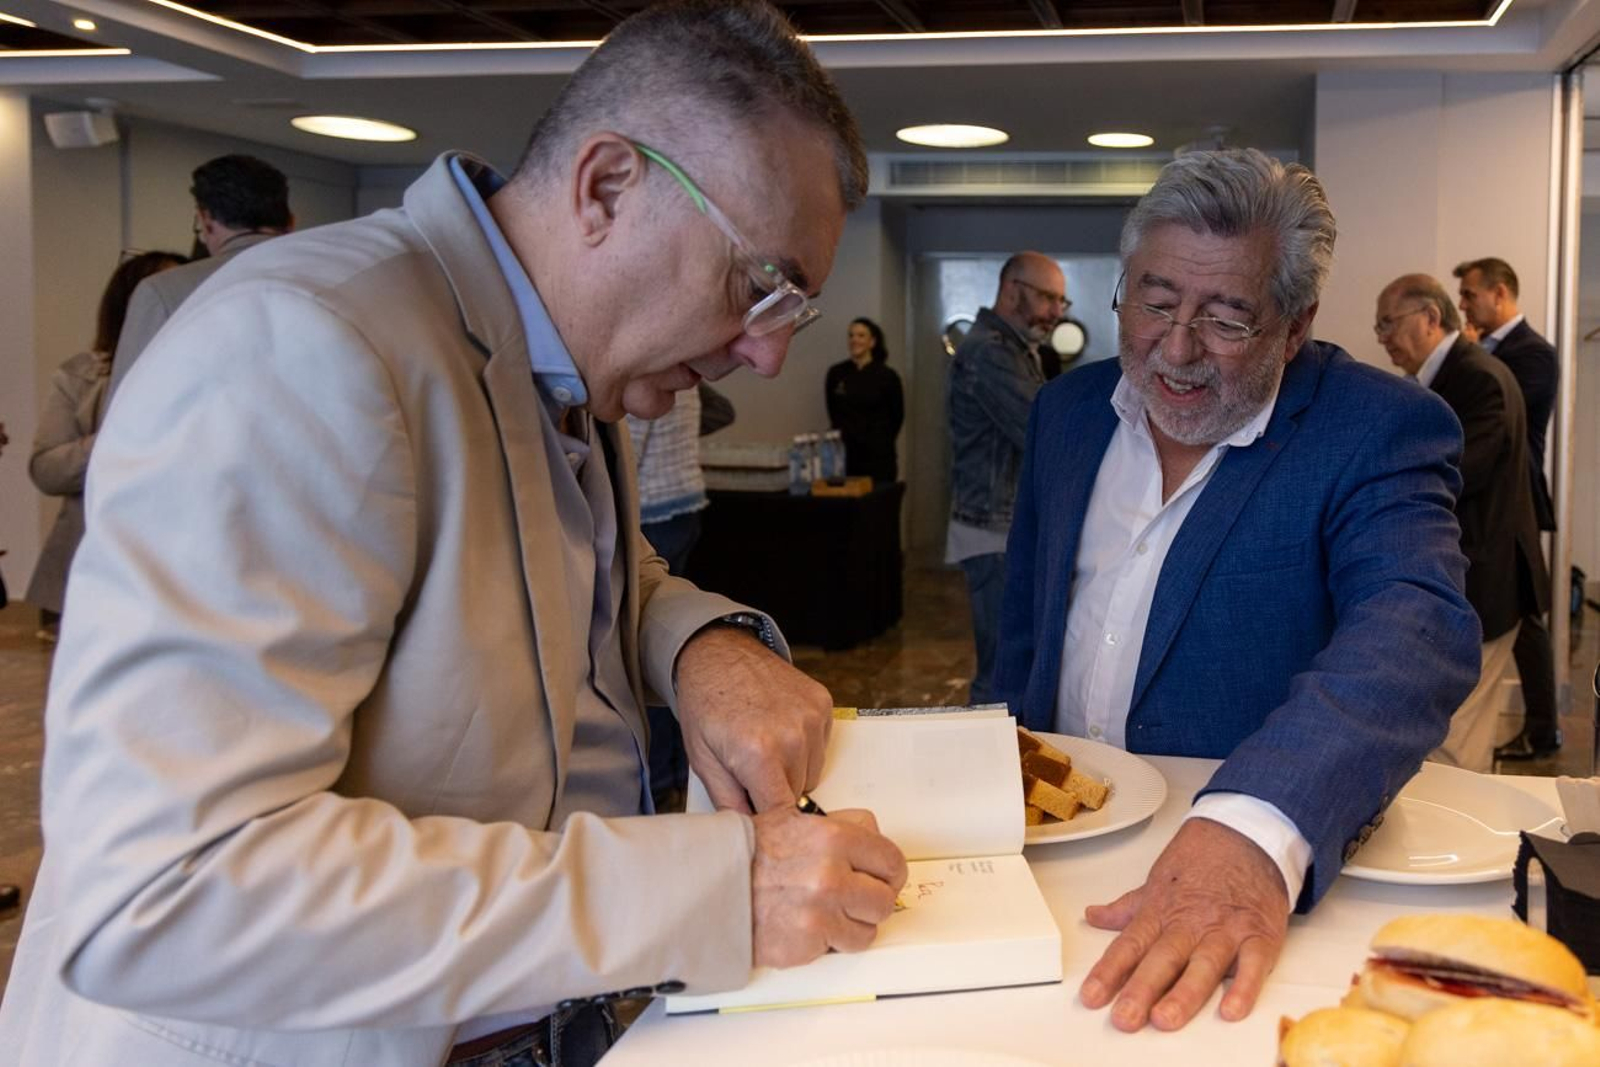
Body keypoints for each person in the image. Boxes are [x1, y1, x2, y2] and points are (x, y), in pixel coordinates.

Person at [0, 4, 909, 1066]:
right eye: (760, 286)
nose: (762, 356)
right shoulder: (302, 343)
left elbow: (584, 569)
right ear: (607, 187)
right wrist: (709, 887)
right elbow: (168, 888)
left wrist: (702, 646)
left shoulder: (564, 364)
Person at [995, 149, 1479, 1034]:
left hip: (1245, 873)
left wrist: (1257, 827)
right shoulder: (1066, 413)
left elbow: (1415, 626)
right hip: (1041, 869)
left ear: (1294, 328)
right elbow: (1026, 626)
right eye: (1154, 303)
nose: (1176, 350)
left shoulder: (1373, 427)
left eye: (1226, 320)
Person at [1377, 274, 1547, 772]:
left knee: (1454, 746)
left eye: (1389, 322)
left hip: (1486, 584)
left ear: (1431, 318)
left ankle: (1463, 848)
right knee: (1467, 734)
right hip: (1477, 582)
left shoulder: (1475, 378)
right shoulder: (1456, 375)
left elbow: (1456, 474)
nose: (1383, 336)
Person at [25, 251, 187, 642]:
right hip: (92, 573)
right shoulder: (80, 376)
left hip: (178, 574)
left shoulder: (206, 369)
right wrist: (118, 439)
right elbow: (46, 469)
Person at [1453, 257, 1562, 761]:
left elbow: (1511, 402)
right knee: (1516, 618)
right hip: (1499, 499)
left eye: (1471, 295)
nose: (1464, 305)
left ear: (1500, 294)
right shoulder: (1490, 353)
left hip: (1516, 498)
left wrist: (1472, 356)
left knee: (1525, 618)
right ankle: (1540, 729)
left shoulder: (1532, 354)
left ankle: (1545, 730)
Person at [946, 251, 1067, 704]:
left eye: (1062, 303)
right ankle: (988, 769)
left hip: (1001, 525)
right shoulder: (990, 353)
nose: (1056, 312)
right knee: (1000, 670)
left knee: (1009, 663)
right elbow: (1040, 432)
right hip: (992, 528)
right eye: (1048, 298)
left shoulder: (1014, 348)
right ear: (1012, 289)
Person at [624, 380, 735, 811]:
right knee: (664, 658)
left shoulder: (641, 380)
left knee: (643, 652)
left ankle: (660, 776)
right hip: (686, 501)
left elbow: (622, 458)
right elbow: (723, 411)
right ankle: (671, 770)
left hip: (653, 511)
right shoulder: (683, 379)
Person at [106, 154, 293, 404]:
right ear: (289, 220)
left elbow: (127, 408)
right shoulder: (331, 281)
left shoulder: (164, 292)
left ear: (206, 219)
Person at [825, 316, 903, 483]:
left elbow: (897, 416)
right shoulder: (836, 373)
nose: (854, 340)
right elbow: (833, 411)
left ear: (872, 342)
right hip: (845, 457)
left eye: (861, 336)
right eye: (851, 335)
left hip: (878, 458)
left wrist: (879, 440)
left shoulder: (887, 376)